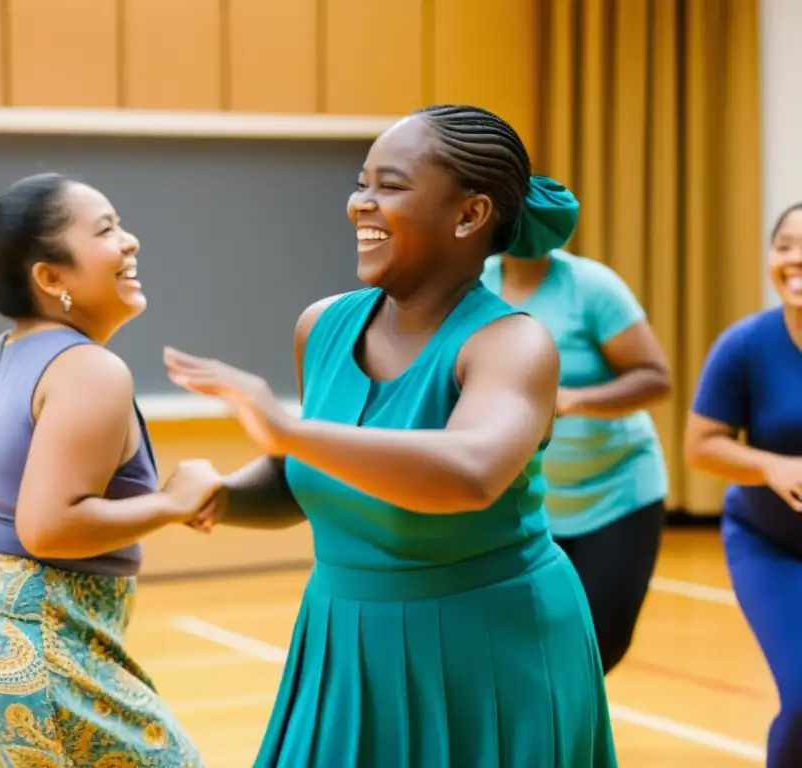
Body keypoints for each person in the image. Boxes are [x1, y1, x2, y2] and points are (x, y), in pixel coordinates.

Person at [164, 105, 617, 767]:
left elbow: (471, 472)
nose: (359, 205)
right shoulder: (320, 327)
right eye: (361, 182)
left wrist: (291, 429)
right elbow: (315, 478)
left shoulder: (512, 344)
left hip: (489, 649)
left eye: (390, 186)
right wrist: (223, 496)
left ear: (469, 215)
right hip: (343, 642)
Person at [0, 172, 219, 767]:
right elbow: (48, 528)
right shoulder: (88, 369)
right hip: (30, 648)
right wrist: (177, 501)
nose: (130, 242)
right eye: (106, 230)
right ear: (50, 277)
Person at [481, 195, 672, 675]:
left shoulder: (592, 288)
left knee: (599, 642)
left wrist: (571, 399)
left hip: (616, 493)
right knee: (517, 642)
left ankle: (571, 739)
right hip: (523, 499)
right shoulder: (475, 285)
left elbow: (655, 377)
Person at [685, 202, 802, 768]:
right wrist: (770, 466)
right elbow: (701, 447)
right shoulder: (746, 345)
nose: (796, 258)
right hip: (771, 546)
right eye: (785, 245)